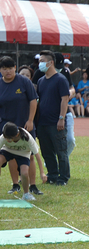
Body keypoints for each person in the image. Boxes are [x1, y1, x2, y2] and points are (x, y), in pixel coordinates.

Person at [0, 56, 42, 196]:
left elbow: (33, 100)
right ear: (1, 70)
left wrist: (30, 120)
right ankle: (15, 184)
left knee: (29, 155)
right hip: (6, 126)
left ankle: (33, 185)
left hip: (25, 125)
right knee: (10, 155)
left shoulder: (24, 81)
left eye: (10, 68)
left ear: (14, 68)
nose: (8, 72)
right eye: (4, 69)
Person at [36, 50, 70, 186]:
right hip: (42, 122)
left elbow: (65, 99)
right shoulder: (41, 81)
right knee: (46, 151)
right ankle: (52, 175)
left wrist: (61, 118)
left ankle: (63, 177)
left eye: (42, 61)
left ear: (51, 63)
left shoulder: (61, 79)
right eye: (39, 61)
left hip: (56, 122)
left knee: (61, 151)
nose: (40, 64)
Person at [0, 123, 47, 201]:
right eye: (6, 138)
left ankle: (26, 194)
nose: (7, 140)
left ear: (17, 134)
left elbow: (37, 155)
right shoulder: (3, 137)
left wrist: (42, 172)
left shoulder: (27, 137)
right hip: (7, 150)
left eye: (10, 138)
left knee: (24, 173)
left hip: (23, 153)